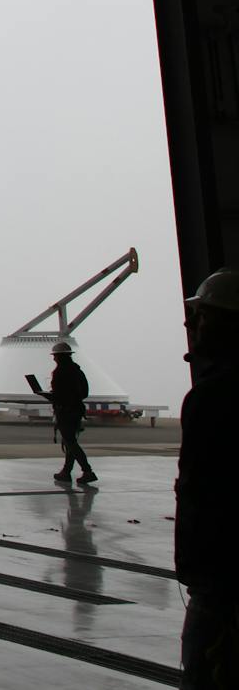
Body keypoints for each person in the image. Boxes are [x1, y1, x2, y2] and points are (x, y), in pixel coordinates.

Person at [178, 267, 238, 688]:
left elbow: (204, 489)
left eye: (202, 317)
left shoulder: (214, 396)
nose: (193, 326)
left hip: (220, 576)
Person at [45, 339, 96, 485]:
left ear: (60, 357)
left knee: (70, 443)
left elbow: (60, 395)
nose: (54, 358)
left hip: (65, 412)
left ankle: (87, 471)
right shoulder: (78, 371)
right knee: (70, 443)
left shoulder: (59, 373)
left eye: (55, 356)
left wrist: (50, 395)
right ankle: (66, 472)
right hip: (76, 411)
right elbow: (84, 392)